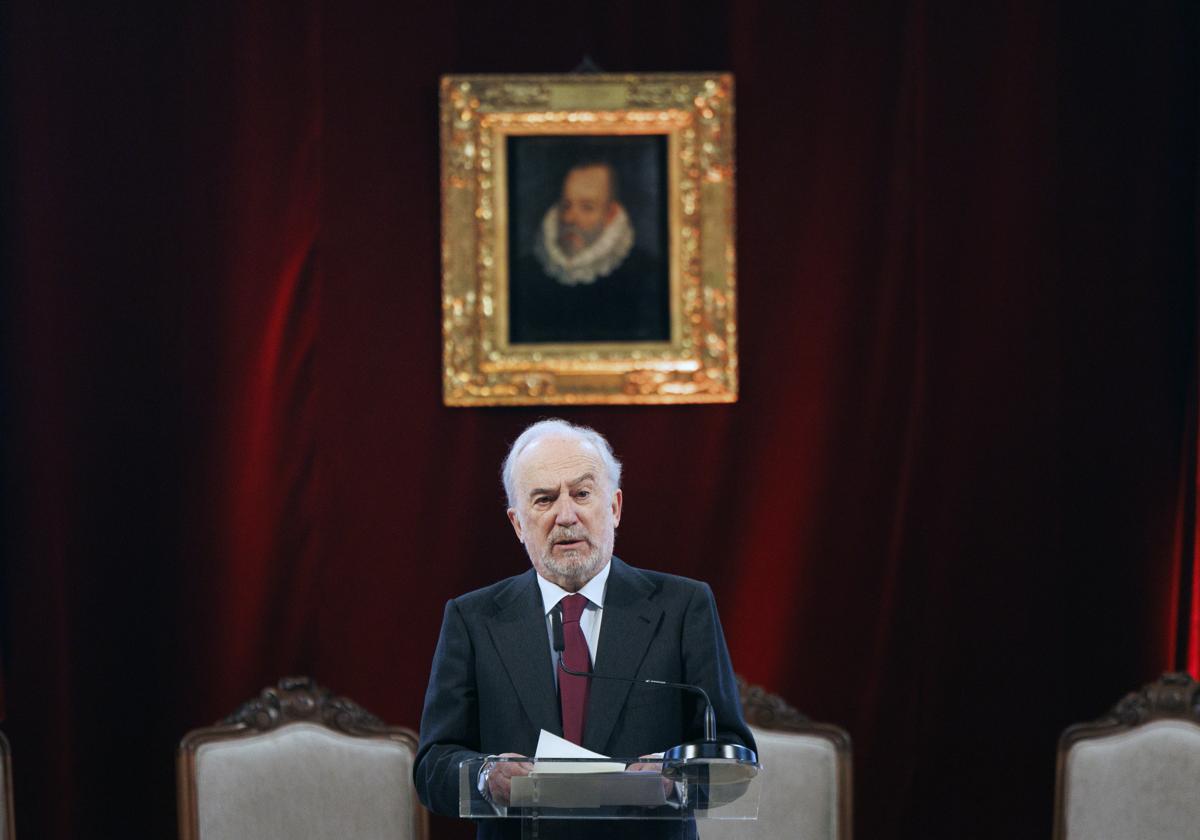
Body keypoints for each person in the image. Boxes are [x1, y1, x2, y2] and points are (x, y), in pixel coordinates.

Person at [413, 419, 754, 839]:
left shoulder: (683, 607)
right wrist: (486, 776)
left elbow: (732, 750)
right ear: (518, 523)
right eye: (543, 499)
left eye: (581, 493)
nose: (565, 515)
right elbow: (432, 768)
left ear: (613, 507)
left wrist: (674, 774)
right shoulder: (473, 619)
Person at [508, 162, 669, 344]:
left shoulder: (648, 274)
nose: (570, 219)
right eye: (566, 205)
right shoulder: (524, 272)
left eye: (587, 207)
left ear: (610, 214)